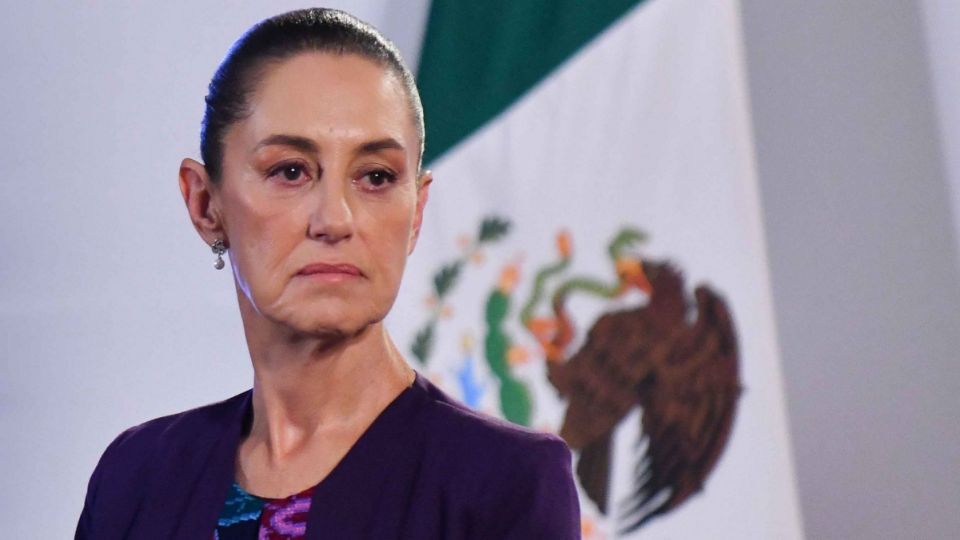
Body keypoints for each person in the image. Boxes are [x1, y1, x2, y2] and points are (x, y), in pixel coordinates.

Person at [75, 8, 580, 540]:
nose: (335, 219)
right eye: (290, 171)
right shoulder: (137, 478)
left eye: (376, 176)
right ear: (205, 204)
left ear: (416, 212)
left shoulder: (505, 484)